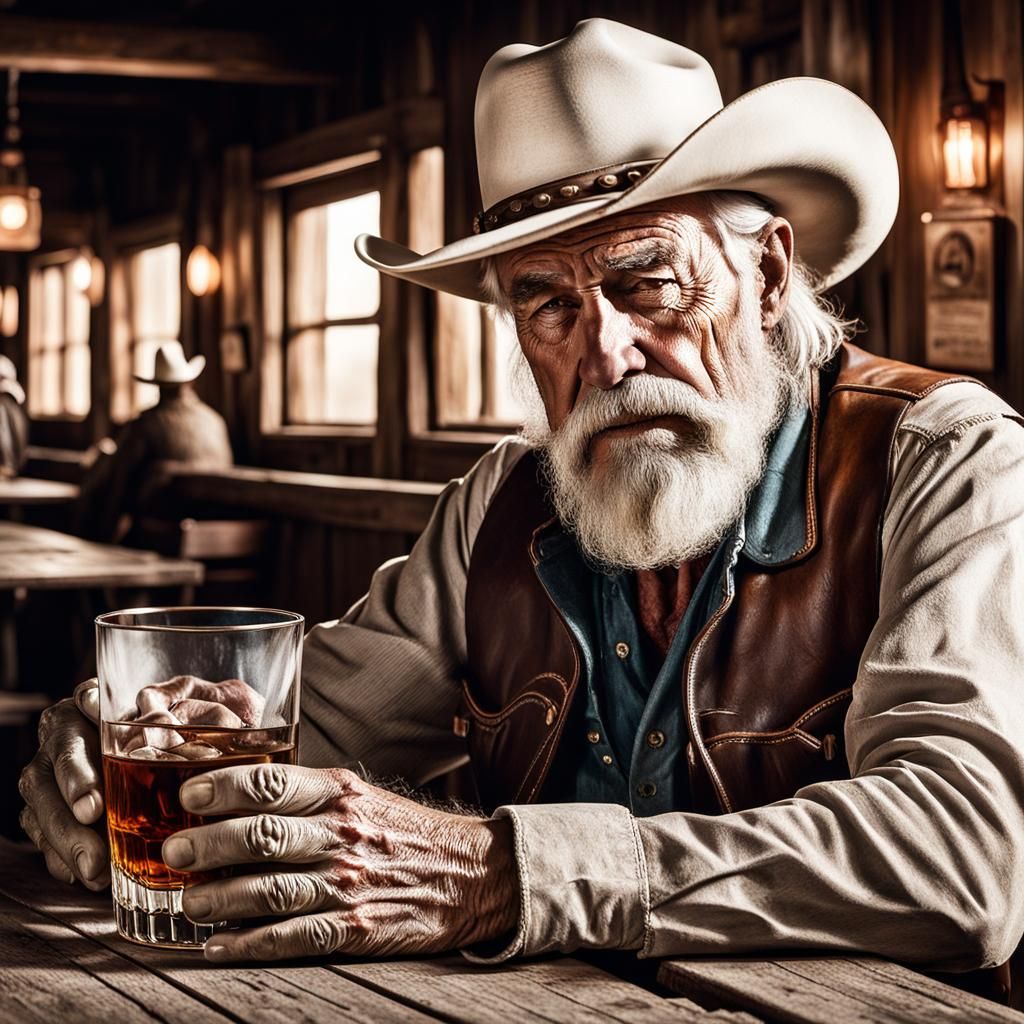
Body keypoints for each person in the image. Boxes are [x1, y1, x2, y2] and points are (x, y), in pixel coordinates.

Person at [18, 18, 1024, 995]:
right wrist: (129, 736)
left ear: (763, 274)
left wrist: (500, 872)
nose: (605, 355)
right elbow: (295, 732)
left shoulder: (945, 461)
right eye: (548, 302)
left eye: (648, 283)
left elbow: (961, 856)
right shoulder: (498, 504)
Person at [75, 341, 232, 542]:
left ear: (158, 386)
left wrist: (104, 535)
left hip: (161, 533)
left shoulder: (145, 424)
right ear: (189, 382)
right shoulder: (215, 421)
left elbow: (118, 483)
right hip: (215, 530)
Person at [0, 354, 28, 478]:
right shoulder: (12, 404)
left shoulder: (4, 403)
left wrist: (7, 464)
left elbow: (4, 435)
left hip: (7, 466)